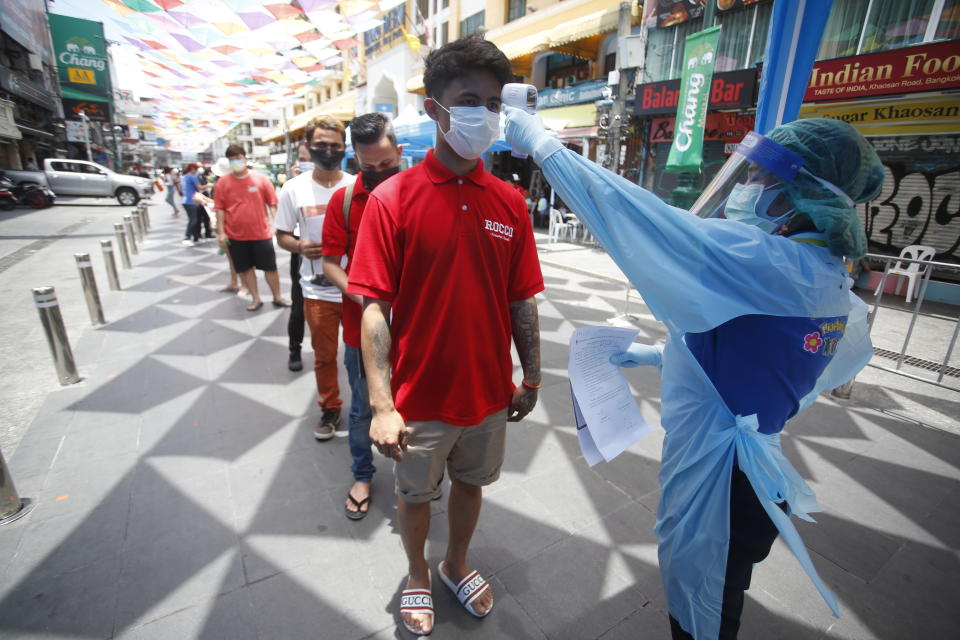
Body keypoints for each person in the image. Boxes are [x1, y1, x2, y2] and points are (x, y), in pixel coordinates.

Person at [503, 110, 883, 639]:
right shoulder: (819, 273)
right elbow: (765, 361)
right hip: (745, 472)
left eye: (760, 177)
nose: (747, 187)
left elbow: (644, 222)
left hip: (722, 479)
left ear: (803, 195)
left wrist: (547, 147)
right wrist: (663, 356)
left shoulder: (770, 263)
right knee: (715, 592)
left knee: (702, 612)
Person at [347, 34, 543, 636]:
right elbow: (373, 309)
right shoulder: (393, 200)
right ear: (434, 108)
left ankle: (455, 562)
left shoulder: (509, 201)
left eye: (492, 103)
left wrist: (530, 375)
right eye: (469, 100)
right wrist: (381, 405)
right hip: (419, 396)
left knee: (471, 486)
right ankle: (416, 573)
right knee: (413, 496)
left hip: (486, 393)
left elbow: (520, 298)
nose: (484, 115)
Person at [320, 112, 403, 520]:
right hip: (361, 329)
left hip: (415, 327)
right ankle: (363, 473)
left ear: (400, 153)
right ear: (356, 159)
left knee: (416, 403)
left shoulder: (419, 193)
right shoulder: (345, 200)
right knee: (363, 407)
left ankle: (416, 476)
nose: (378, 174)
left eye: (386, 165)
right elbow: (330, 262)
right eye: (368, 167)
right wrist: (367, 299)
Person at [274, 118, 353, 437]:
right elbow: (281, 235)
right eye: (321, 144)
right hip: (317, 292)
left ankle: (373, 406)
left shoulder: (355, 184)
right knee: (324, 357)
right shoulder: (294, 188)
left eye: (335, 145)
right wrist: (300, 246)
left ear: (344, 147)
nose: (329, 151)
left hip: (356, 289)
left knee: (367, 355)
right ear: (308, 146)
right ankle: (330, 408)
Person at [214, 144, 290, 312]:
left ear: (245, 158)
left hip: (261, 233)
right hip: (235, 235)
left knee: (270, 267)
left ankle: (277, 297)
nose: (235, 162)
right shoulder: (222, 183)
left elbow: (272, 203)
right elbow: (219, 209)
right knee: (245, 269)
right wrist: (222, 232)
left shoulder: (260, 179)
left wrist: (277, 225)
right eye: (232, 160)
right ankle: (256, 298)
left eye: (238, 158)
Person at [180, 163, 208, 246]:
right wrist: (208, 185)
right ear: (192, 169)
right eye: (196, 169)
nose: (196, 171)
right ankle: (187, 237)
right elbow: (200, 187)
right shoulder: (192, 177)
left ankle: (196, 237)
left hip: (186, 200)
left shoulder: (184, 177)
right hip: (191, 201)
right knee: (193, 220)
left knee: (193, 220)